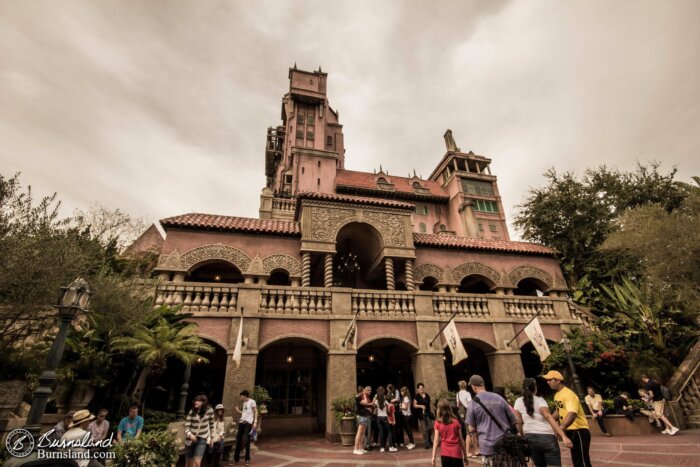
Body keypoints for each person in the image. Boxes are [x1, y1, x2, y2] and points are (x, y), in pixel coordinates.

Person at [514, 378, 573, 467]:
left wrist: (522, 434)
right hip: (546, 436)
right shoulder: (540, 400)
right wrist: (563, 436)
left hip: (530, 437)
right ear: (535, 388)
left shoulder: (518, 401)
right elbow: (548, 417)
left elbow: (518, 421)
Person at [466, 374, 518, 467]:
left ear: (474, 387)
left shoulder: (472, 403)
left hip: (487, 446)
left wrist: (476, 446)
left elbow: (471, 429)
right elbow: (514, 421)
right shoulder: (499, 398)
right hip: (505, 444)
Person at [543, 370, 591, 467]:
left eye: (549, 380)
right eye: (547, 380)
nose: (547, 382)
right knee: (576, 460)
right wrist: (548, 420)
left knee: (582, 461)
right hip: (570, 430)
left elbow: (572, 413)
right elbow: (559, 411)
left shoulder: (568, 394)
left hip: (579, 431)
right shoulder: (557, 395)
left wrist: (561, 428)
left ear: (558, 381)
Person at [431, 398, 469, 466]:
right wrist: (465, 455)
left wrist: (433, 456)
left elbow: (436, 440)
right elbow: (461, 440)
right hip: (456, 452)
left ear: (439, 409)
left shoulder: (438, 422)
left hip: (445, 453)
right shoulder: (456, 421)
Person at [185, 395, 215, 467]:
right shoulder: (192, 411)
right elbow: (186, 427)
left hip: (202, 439)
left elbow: (212, 425)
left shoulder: (210, 411)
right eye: (195, 400)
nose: (195, 402)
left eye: (198, 401)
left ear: (203, 402)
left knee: (197, 463)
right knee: (189, 463)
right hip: (190, 439)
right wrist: (190, 435)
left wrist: (212, 438)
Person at [234, 389, 257, 465]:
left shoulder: (252, 401)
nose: (240, 398)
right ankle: (236, 459)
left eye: (241, 396)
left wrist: (255, 422)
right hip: (241, 422)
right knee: (238, 440)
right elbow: (245, 413)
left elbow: (255, 411)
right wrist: (238, 411)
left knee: (246, 440)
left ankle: (247, 459)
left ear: (244, 396)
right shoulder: (244, 403)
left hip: (248, 423)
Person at [413, 382, 434, 449]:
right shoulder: (417, 396)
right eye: (420, 388)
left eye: (422, 388)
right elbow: (414, 405)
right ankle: (427, 443)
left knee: (431, 427)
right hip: (421, 415)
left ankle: (429, 439)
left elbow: (429, 404)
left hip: (428, 414)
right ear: (418, 389)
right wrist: (421, 406)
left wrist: (430, 412)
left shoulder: (427, 395)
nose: (421, 389)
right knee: (424, 429)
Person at [374, 386, 395, 452]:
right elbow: (389, 409)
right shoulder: (385, 401)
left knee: (381, 432)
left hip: (378, 418)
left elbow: (374, 407)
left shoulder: (376, 401)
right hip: (385, 418)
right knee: (389, 432)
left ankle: (382, 447)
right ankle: (391, 447)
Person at [353, 386, 370, 455]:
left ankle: (360, 448)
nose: (365, 392)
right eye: (364, 390)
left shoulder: (360, 397)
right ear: (362, 391)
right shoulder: (358, 397)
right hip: (361, 416)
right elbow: (365, 402)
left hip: (364, 416)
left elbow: (365, 405)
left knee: (362, 433)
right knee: (359, 433)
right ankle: (355, 449)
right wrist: (364, 395)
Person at [387, 384, 402, 448]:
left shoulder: (396, 391)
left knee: (399, 427)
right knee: (394, 427)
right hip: (392, 411)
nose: (387, 390)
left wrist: (391, 400)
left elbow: (398, 398)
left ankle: (401, 442)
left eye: (388, 389)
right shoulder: (388, 393)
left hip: (397, 410)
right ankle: (395, 441)